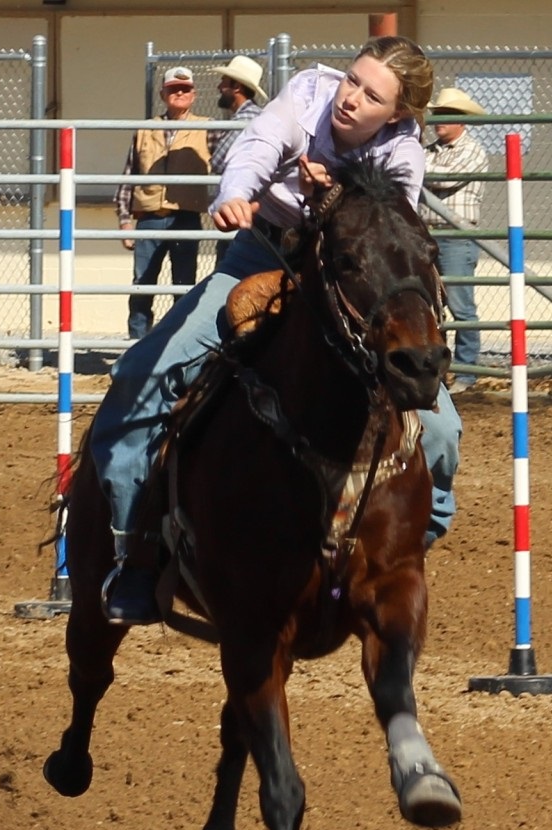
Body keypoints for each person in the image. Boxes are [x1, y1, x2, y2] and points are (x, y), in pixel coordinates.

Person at [94, 36, 463, 624]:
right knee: (145, 372)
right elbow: (258, 147)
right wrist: (237, 192)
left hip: (346, 282)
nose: (350, 99)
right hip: (261, 254)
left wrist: (333, 193)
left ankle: (418, 532)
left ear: (397, 114)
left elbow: (386, 226)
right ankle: (134, 550)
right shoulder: (308, 93)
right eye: (353, 79)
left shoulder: (403, 150)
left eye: (372, 96)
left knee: (441, 429)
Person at [115, 67, 213, 340]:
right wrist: (124, 220)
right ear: (163, 93)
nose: (179, 93)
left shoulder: (208, 128)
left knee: (184, 287)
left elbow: (228, 166)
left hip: (186, 217)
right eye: (173, 89)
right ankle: (137, 345)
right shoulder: (145, 130)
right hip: (149, 219)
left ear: (193, 95)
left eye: (184, 89)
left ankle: (175, 346)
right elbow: (128, 176)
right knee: (142, 286)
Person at [420, 87, 488, 394]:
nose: (438, 121)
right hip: (428, 235)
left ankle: (466, 372)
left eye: (445, 116)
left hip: (456, 237)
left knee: (461, 307)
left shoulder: (473, 150)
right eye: (436, 115)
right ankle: (443, 370)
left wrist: (417, 168)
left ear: (461, 120)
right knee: (431, 304)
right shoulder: (431, 151)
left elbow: (445, 179)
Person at [208, 55, 267, 262]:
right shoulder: (258, 116)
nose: (219, 87)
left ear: (236, 87)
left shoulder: (245, 120)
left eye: (224, 82)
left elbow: (218, 161)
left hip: (239, 208)